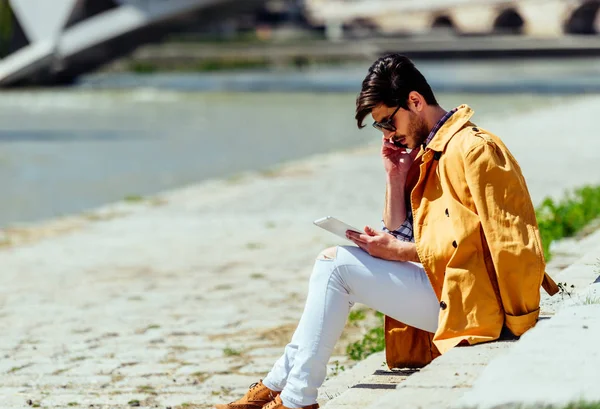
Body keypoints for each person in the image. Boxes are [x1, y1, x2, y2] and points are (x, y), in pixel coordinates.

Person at [215, 54, 558, 409]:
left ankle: (296, 398)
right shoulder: (428, 150)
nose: (389, 135)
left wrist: (399, 253)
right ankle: (280, 387)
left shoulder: (474, 149)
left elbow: (501, 240)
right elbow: (402, 232)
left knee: (335, 267)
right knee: (332, 264)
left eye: (388, 123)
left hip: (478, 304)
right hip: (447, 287)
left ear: (415, 101)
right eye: (381, 128)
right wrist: (395, 176)